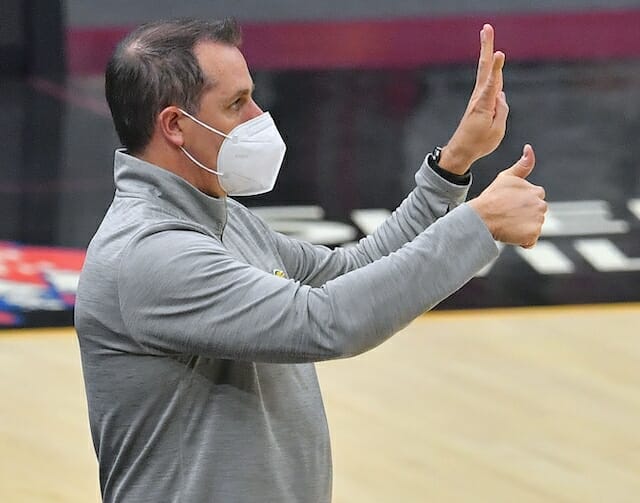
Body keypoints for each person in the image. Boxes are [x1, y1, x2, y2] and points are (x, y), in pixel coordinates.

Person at [75, 18, 546, 503]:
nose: (259, 116)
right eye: (237, 104)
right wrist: (478, 226)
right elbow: (326, 321)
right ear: (175, 125)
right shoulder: (152, 253)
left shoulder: (219, 218)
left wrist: (452, 166)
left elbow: (351, 271)